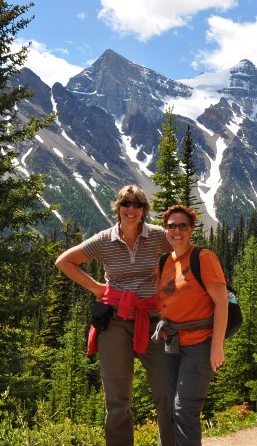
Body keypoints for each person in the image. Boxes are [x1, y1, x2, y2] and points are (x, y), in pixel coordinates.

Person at [55, 185, 174, 446]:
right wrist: (97, 288)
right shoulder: (104, 240)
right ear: (118, 208)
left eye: (137, 205)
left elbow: (185, 250)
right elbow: (64, 261)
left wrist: (174, 289)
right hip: (115, 320)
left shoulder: (157, 236)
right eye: (126, 204)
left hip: (153, 320)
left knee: (167, 393)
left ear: (144, 211)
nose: (131, 209)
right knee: (117, 399)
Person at [153, 204, 228, 446]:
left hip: (199, 345)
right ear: (166, 229)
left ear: (191, 229)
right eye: (171, 226)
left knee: (185, 410)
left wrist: (217, 346)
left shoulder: (203, 258)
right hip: (171, 346)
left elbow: (222, 302)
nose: (177, 231)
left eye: (182, 225)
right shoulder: (165, 261)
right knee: (172, 410)